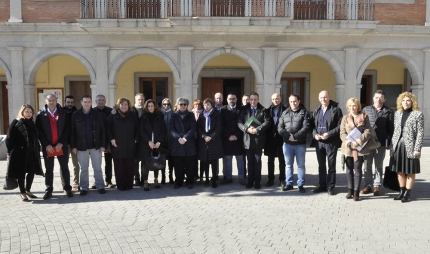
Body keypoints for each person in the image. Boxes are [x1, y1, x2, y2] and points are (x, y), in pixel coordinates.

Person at [35, 94, 73, 199]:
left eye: (53, 100)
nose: (51, 102)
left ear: (57, 101)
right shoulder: (40, 115)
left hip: (61, 145)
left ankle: (67, 188)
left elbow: (67, 129)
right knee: (49, 169)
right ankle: (48, 189)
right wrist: (46, 144)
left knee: (64, 167)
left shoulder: (63, 113)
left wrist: (61, 142)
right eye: (49, 100)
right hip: (48, 147)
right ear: (46, 101)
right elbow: (39, 131)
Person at [6, 105, 44, 201]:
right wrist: (9, 153)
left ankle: (28, 190)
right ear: (22, 112)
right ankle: (22, 192)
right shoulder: (16, 122)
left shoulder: (32, 123)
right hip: (19, 153)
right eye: (27, 111)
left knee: (31, 171)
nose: (29, 114)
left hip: (32, 152)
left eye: (30, 112)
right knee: (21, 173)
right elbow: (9, 139)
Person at [390, 92, 424, 203]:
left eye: (408, 100)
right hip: (398, 145)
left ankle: (407, 194)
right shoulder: (398, 113)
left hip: (410, 146)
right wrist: (392, 146)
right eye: (403, 100)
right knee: (399, 170)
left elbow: (420, 132)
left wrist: (417, 148)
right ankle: (401, 191)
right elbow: (395, 131)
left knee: (410, 170)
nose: (405, 102)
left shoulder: (418, 114)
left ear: (412, 102)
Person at [70, 95, 106, 196]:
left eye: (89, 102)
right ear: (81, 102)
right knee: (84, 168)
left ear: (91, 103)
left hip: (96, 145)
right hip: (81, 146)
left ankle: (100, 186)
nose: (87, 104)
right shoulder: (75, 114)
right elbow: (72, 131)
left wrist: (103, 145)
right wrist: (73, 146)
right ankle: (84, 187)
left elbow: (103, 130)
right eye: (85, 102)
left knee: (97, 167)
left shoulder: (97, 114)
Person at [361, 90, 394, 196]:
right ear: (373, 98)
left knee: (378, 165)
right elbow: (361, 126)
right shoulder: (366, 109)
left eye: (381, 97)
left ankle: (376, 186)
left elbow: (391, 128)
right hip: (368, 143)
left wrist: (390, 143)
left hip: (381, 143)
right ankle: (367, 185)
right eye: (376, 97)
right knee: (367, 165)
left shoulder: (388, 111)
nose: (378, 99)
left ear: (384, 99)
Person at [340, 98, 374, 201]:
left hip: (360, 147)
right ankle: (350, 190)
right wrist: (347, 141)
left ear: (358, 106)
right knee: (349, 169)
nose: (352, 108)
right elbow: (342, 132)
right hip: (348, 147)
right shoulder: (345, 118)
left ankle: (356, 192)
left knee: (358, 170)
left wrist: (359, 140)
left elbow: (368, 131)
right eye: (350, 106)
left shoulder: (364, 117)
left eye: (354, 105)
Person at [310, 90, 343, 195]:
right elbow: (312, 125)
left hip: (331, 142)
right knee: (321, 165)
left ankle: (330, 186)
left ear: (329, 97)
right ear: (318, 98)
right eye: (321, 97)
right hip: (319, 142)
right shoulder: (317, 110)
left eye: (325, 97)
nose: (323, 99)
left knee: (331, 165)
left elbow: (340, 126)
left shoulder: (336, 110)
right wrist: (315, 134)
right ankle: (322, 185)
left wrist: (329, 134)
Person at [278, 94, 311, 193]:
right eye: (291, 101)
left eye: (295, 101)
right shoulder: (284, 113)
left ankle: (300, 184)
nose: (293, 103)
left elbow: (306, 127)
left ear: (299, 101)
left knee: (300, 165)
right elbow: (280, 127)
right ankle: (289, 184)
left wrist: (295, 136)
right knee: (288, 165)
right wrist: (288, 136)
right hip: (287, 143)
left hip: (300, 143)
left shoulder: (304, 112)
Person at [238, 92, 271, 189]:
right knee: (250, 161)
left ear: (258, 100)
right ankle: (250, 181)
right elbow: (239, 122)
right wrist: (246, 129)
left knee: (257, 161)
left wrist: (257, 129)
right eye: (251, 99)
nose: (253, 101)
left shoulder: (263, 110)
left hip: (258, 140)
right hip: (247, 140)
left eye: (255, 99)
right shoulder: (244, 110)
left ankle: (257, 182)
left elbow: (268, 122)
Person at [106, 98, 139, 191]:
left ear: (128, 106)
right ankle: (120, 185)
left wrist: (136, 139)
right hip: (117, 145)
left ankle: (129, 185)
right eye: (122, 104)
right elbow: (107, 127)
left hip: (130, 144)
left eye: (126, 104)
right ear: (118, 105)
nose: (124, 106)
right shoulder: (113, 115)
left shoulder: (133, 115)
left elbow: (138, 127)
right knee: (119, 166)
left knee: (130, 166)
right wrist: (111, 139)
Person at [138, 99, 167, 191]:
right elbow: (141, 131)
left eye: (152, 106)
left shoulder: (159, 116)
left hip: (157, 144)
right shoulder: (143, 117)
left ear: (155, 107)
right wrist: (148, 141)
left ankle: (156, 180)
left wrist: (159, 142)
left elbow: (163, 130)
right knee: (144, 163)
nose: (151, 108)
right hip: (146, 144)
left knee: (156, 162)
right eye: (149, 106)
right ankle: (145, 181)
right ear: (146, 107)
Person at [170, 97, 197, 189]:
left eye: (185, 104)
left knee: (190, 165)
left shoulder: (191, 115)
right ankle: (178, 182)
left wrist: (185, 138)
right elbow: (171, 129)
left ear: (187, 105)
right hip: (177, 144)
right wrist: (178, 138)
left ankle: (189, 182)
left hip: (189, 143)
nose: (183, 106)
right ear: (177, 105)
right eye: (181, 104)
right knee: (178, 165)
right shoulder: (173, 115)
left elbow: (193, 128)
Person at [197, 98, 224, 188]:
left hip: (214, 141)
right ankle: (207, 179)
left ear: (212, 105)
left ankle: (213, 179)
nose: (206, 106)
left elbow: (219, 128)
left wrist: (211, 137)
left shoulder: (217, 114)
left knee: (213, 161)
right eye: (205, 105)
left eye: (208, 105)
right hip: (204, 142)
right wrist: (204, 136)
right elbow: (199, 128)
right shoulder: (201, 115)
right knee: (205, 161)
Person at [221, 93, 245, 185]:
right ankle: (228, 178)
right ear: (227, 100)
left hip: (238, 139)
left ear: (236, 99)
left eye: (233, 98)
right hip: (227, 139)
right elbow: (222, 124)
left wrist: (237, 135)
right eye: (230, 98)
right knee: (227, 159)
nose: (232, 100)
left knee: (240, 158)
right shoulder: (223, 109)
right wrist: (228, 136)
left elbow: (243, 123)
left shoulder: (241, 109)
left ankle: (241, 178)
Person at [264, 93, 287, 187]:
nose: (275, 100)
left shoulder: (285, 110)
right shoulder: (267, 111)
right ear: (271, 99)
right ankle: (270, 179)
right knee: (270, 160)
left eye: (277, 98)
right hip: (270, 139)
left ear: (280, 99)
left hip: (282, 139)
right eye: (273, 99)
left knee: (282, 160)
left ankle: (282, 179)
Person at [94, 94, 116, 189]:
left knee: (108, 162)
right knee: (96, 163)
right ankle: (97, 181)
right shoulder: (93, 111)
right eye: (99, 100)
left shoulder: (111, 111)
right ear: (96, 101)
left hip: (108, 140)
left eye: (103, 100)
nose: (101, 102)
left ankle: (108, 181)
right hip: (96, 140)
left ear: (105, 101)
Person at [62, 95, 80, 191]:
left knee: (76, 164)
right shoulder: (60, 112)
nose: (70, 104)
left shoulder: (77, 113)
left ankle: (76, 182)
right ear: (65, 102)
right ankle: (65, 184)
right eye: (68, 102)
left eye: (72, 102)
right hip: (63, 143)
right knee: (63, 165)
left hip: (75, 144)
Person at [132, 93, 145, 186]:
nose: (140, 101)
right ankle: (137, 178)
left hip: (144, 140)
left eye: (142, 99)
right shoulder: (131, 110)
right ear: (135, 100)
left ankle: (144, 179)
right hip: (134, 140)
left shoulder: (146, 110)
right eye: (139, 99)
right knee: (135, 161)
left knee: (144, 160)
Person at [161, 98, 174, 184]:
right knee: (162, 159)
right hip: (162, 140)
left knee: (171, 160)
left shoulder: (174, 114)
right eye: (165, 104)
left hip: (172, 139)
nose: (166, 106)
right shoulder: (159, 114)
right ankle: (163, 177)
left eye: (168, 104)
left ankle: (170, 176)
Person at [191, 99, 203, 182]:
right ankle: (195, 174)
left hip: (201, 139)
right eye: (195, 105)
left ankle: (202, 175)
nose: (197, 106)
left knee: (202, 158)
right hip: (192, 139)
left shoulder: (204, 114)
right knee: (194, 158)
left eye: (199, 105)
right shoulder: (190, 114)